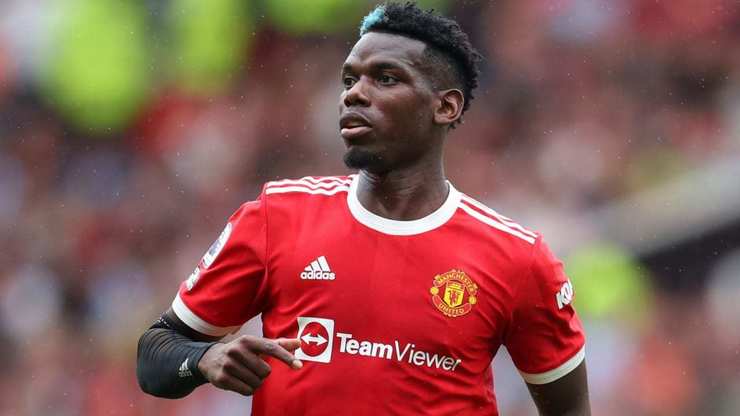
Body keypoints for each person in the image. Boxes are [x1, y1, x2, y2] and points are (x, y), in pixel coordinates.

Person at [136, 2, 590, 415]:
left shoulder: (517, 258)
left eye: (386, 78)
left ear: (446, 106)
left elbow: (569, 409)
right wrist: (204, 358)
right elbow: (154, 354)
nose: (354, 94)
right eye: (350, 80)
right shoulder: (279, 216)